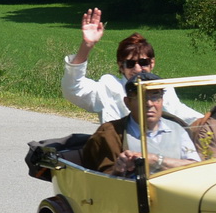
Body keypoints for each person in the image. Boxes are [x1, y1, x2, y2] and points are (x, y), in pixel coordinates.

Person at [61, 7, 203, 125]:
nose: (137, 69)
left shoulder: (163, 89)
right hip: (121, 153)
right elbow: (73, 89)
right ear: (121, 66)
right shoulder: (110, 88)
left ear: (152, 63)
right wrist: (87, 46)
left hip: (156, 152)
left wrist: (208, 121)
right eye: (130, 63)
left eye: (143, 62)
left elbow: (181, 113)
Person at [78, 75, 200, 176]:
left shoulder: (178, 129)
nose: (149, 103)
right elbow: (100, 183)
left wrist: (155, 160)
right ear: (127, 102)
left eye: (155, 96)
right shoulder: (111, 134)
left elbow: (196, 168)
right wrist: (118, 169)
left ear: (162, 100)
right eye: (141, 97)